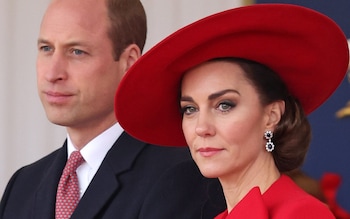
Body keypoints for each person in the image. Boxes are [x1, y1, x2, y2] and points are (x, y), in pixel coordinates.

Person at [115, 3, 349, 218]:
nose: (201, 127)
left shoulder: (302, 214)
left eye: (224, 105)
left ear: (272, 116)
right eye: (190, 109)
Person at [0, 0, 225, 218]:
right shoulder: (22, 185)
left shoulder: (179, 176)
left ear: (129, 61)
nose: (52, 73)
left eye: (77, 51)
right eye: (46, 48)